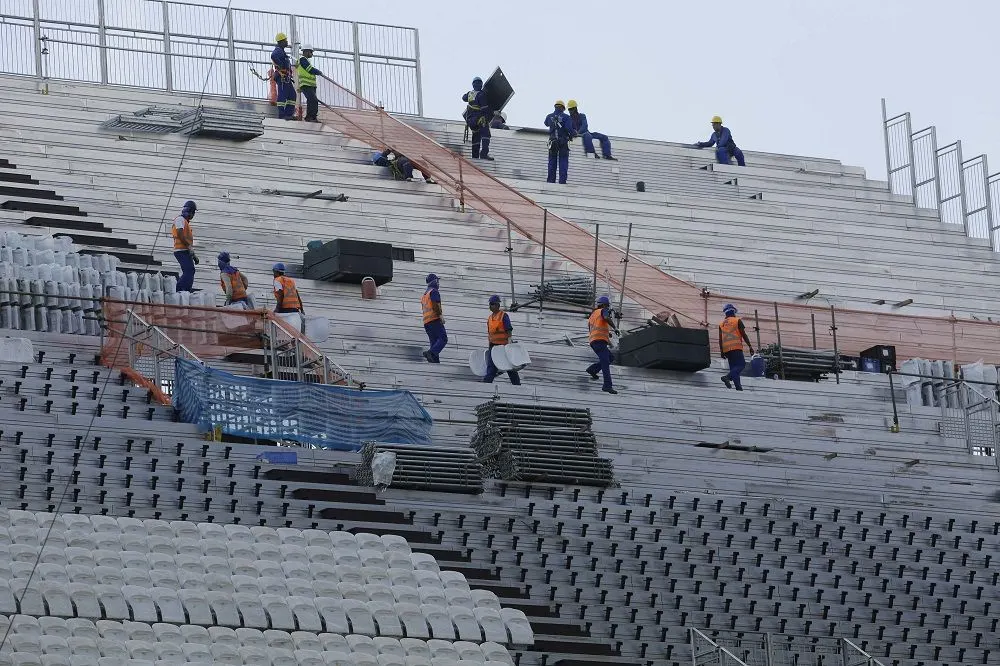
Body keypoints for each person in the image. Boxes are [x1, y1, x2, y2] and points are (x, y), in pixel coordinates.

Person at [482, 295, 521, 385]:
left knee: (509, 367)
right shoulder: (490, 318)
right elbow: (490, 333)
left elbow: (509, 329)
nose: (490, 306)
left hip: (503, 347)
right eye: (490, 304)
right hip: (493, 347)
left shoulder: (503, 316)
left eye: (492, 304)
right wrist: (489, 347)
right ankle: (486, 383)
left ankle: (517, 385)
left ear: (497, 305)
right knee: (491, 367)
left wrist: (510, 341)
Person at [585, 295, 618, 394]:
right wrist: (615, 328)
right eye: (607, 306)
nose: (607, 308)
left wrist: (608, 334)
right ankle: (607, 386)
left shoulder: (593, 315)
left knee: (610, 358)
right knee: (605, 363)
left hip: (594, 342)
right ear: (603, 305)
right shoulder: (603, 311)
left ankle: (592, 369)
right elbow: (607, 317)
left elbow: (595, 328)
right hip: (599, 341)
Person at [719, 303, 755, 391]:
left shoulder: (721, 324)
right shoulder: (737, 320)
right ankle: (727, 377)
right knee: (741, 364)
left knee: (734, 369)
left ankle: (738, 388)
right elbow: (743, 334)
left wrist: (722, 351)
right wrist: (750, 346)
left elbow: (720, 339)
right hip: (736, 347)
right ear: (733, 311)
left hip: (726, 349)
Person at [544, 100, 576, 184]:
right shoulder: (566, 117)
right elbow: (569, 128)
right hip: (563, 142)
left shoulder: (549, 116)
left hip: (552, 142)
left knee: (552, 162)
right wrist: (574, 133)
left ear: (555, 106)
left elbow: (546, 123)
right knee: (563, 161)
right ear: (563, 108)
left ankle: (550, 181)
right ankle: (562, 181)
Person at [462, 77, 493, 160]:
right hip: (479, 119)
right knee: (486, 135)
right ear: (481, 84)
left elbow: (463, 98)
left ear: (473, 85)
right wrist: (486, 118)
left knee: (476, 136)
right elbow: (484, 108)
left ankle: (475, 156)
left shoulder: (470, 94)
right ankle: (483, 154)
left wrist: (469, 95)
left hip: (471, 120)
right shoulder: (481, 94)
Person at [171, 200, 198, 292]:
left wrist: (193, 255)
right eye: (192, 212)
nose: (193, 215)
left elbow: (188, 240)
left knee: (191, 270)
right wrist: (188, 246)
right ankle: (179, 289)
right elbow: (180, 233)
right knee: (188, 271)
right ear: (188, 210)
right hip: (180, 251)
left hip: (185, 250)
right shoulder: (180, 219)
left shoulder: (186, 222)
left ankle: (186, 290)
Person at [421, 273, 448, 363]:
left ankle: (434, 361)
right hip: (434, 319)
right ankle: (431, 353)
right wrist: (440, 315)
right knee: (443, 338)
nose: (438, 283)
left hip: (426, 322)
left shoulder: (425, 294)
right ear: (435, 281)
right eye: (438, 281)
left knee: (434, 342)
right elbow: (435, 304)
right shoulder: (434, 291)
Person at [271, 33, 297, 120]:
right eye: (285, 40)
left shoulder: (282, 51)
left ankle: (289, 114)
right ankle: (282, 115)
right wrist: (281, 66)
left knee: (292, 95)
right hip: (282, 77)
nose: (287, 42)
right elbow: (273, 56)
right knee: (282, 95)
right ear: (281, 41)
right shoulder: (278, 50)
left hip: (286, 78)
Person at [296, 44, 322, 122]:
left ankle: (312, 117)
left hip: (310, 85)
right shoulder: (302, 60)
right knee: (313, 100)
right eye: (311, 52)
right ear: (306, 51)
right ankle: (310, 117)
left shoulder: (306, 60)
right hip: (306, 85)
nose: (312, 54)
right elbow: (309, 69)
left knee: (312, 100)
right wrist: (318, 72)